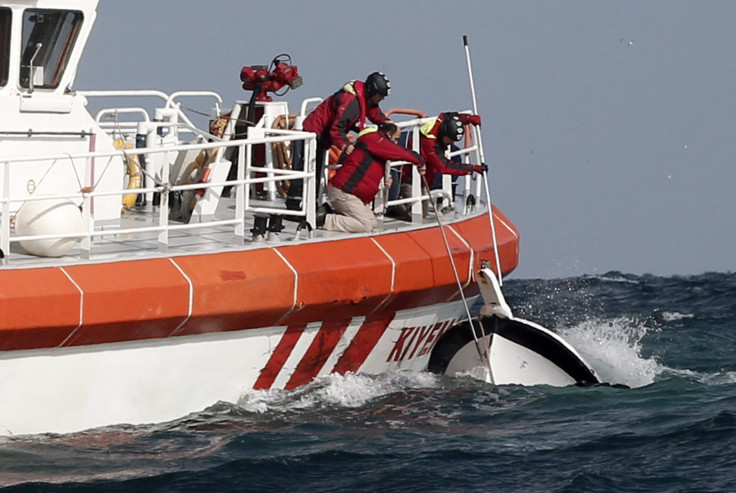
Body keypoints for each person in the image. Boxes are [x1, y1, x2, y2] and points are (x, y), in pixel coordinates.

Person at [286, 72, 392, 211]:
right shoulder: (351, 102)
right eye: (381, 95)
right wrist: (344, 145)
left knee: (314, 172)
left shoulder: (364, 98)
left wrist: (387, 123)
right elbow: (336, 129)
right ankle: (294, 207)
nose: (382, 98)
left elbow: (373, 112)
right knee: (305, 171)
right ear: (373, 91)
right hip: (313, 133)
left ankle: (309, 205)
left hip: (321, 135)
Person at [320, 122, 425, 233]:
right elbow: (400, 152)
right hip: (344, 192)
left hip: (351, 194)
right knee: (365, 225)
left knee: (372, 222)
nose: (396, 143)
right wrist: (419, 161)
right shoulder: (376, 140)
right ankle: (324, 219)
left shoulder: (375, 143)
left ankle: (333, 214)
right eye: (395, 139)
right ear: (388, 134)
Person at [386, 111, 486, 220]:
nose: (451, 143)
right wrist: (472, 168)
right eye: (450, 140)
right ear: (444, 133)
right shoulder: (430, 145)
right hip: (409, 179)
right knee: (417, 214)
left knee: (422, 206)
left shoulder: (440, 121)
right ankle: (392, 203)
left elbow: (451, 117)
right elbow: (444, 166)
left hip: (423, 178)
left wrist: (468, 118)